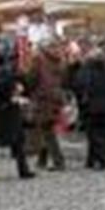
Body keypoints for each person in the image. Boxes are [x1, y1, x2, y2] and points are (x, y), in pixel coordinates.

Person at [0, 37, 34, 180]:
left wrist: (20, 82)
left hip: (10, 105)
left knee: (17, 138)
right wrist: (12, 80)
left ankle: (23, 168)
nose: (2, 48)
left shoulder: (8, 61)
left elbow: (19, 78)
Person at [28, 32, 67, 171]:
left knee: (47, 129)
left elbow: (31, 78)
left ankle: (58, 161)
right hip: (55, 96)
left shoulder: (38, 59)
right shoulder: (60, 59)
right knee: (45, 127)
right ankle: (42, 159)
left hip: (42, 97)